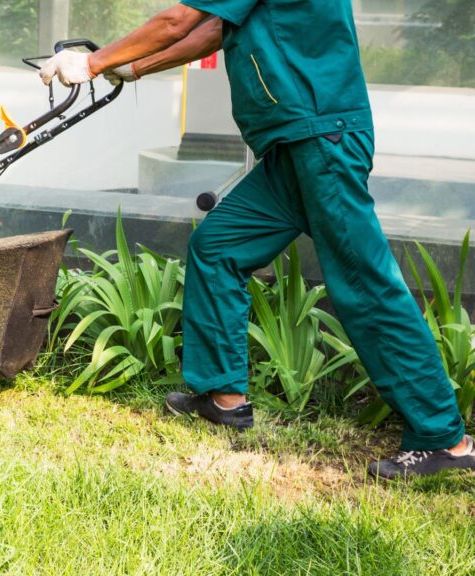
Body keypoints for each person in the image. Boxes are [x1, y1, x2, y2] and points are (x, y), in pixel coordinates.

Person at [36, 0, 474, 479]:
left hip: (321, 139)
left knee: (365, 283)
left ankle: (444, 439)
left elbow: (178, 20)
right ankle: (225, 396)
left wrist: (94, 62)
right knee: (218, 247)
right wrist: (135, 67)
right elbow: (217, 29)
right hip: (294, 147)